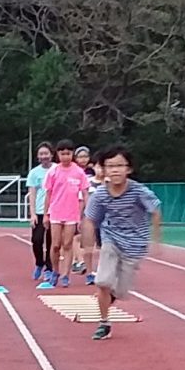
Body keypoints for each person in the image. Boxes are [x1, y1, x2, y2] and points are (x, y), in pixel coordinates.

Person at [80, 146, 162, 341]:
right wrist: (88, 244)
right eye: (110, 166)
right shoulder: (100, 195)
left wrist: (156, 240)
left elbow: (156, 210)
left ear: (129, 169)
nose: (115, 170)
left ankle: (112, 297)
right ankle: (104, 323)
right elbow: (90, 219)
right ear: (103, 170)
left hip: (134, 245)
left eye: (119, 166)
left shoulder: (139, 191)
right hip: (111, 240)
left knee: (122, 291)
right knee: (102, 281)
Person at [40, 142, 91, 288]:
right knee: (55, 245)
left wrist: (86, 214)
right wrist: (45, 214)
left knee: (68, 244)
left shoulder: (79, 172)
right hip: (56, 212)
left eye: (68, 153)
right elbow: (48, 195)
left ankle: (65, 275)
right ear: (58, 155)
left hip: (72, 214)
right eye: (62, 154)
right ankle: (55, 271)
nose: (65, 157)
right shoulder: (53, 172)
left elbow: (85, 193)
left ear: (72, 154)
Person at [25, 143, 55, 283]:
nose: (44, 156)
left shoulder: (57, 169)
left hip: (55, 211)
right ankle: (39, 263)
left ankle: (49, 269)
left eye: (46, 153)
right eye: (41, 154)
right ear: (38, 156)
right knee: (36, 240)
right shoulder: (34, 173)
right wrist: (32, 214)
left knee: (51, 242)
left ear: (51, 154)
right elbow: (32, 194)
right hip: (39, 211)